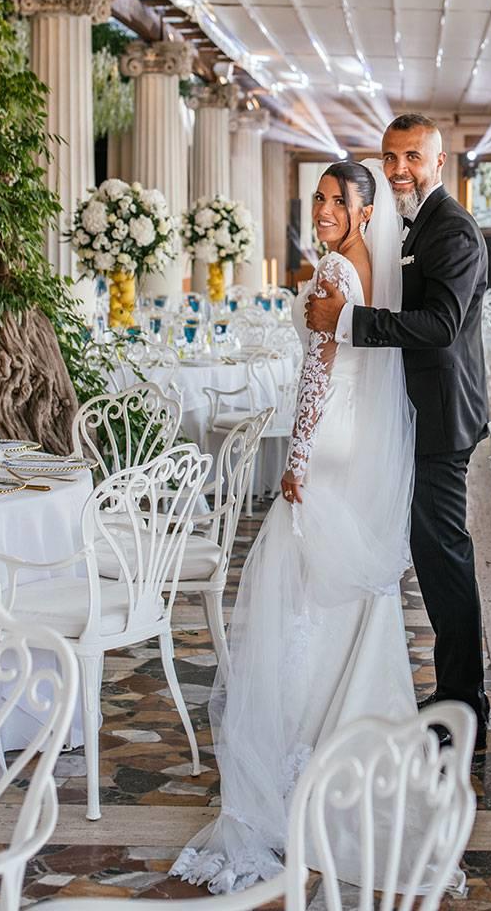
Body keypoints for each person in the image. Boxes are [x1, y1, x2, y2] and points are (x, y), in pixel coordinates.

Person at [171, 160, 419, 893]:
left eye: (337, 200)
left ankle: (299, 753)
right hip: (360, 440)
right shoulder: (376, 265)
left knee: (300, 597)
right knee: (344, 597)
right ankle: (348, 745)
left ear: (364, 209)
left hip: (329, 439)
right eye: (317, 199)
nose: (322, 210)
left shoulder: (338, 269)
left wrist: (297, 458)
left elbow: (319, 371)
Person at [305, 113, 491, 750]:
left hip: (443, 416)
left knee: (443, 555)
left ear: (439, 162)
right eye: (390, 158)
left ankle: (464, 702)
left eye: (412, 157)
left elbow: (439, 325)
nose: (399, 169)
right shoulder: (407, 227)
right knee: (427, 551)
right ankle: (449, 693)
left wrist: (351, 320)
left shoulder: (454, 231)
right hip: (411, 411)